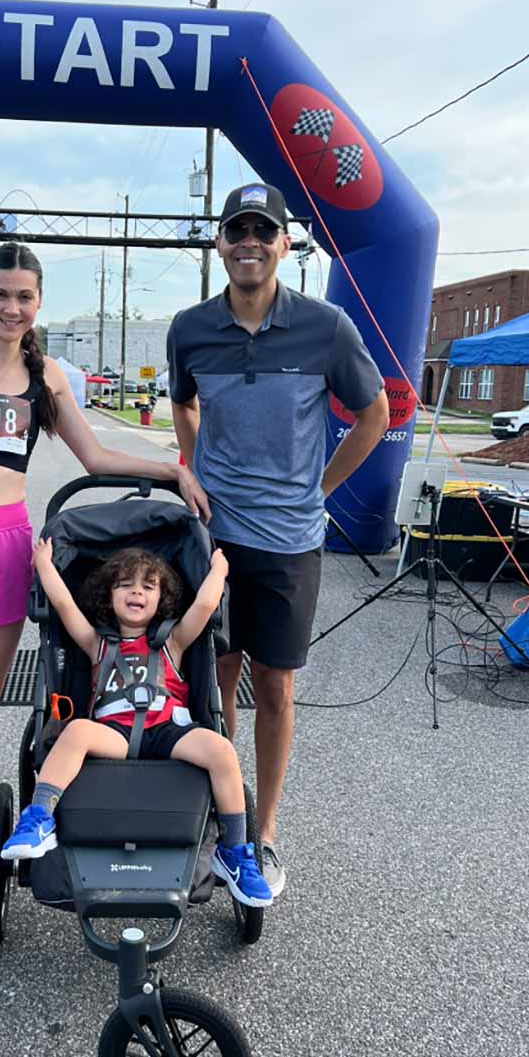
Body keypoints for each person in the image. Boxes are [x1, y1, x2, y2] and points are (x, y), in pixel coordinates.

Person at [0, 242, 210, 964]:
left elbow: (94, 458)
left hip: (4, 546)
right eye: (1, 294)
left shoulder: (46, 376)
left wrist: (171, 472)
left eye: (25, 297)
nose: (12, 308)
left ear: (39, 303)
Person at [168, 182, 389, 897]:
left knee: (274, 685)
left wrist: (319, 489)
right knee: (215, 681)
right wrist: (194, 470)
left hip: (290, 541)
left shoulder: (326, 327)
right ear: (219, 244)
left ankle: (261, 834)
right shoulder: (191, 328)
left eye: (263, 231)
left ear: (285, 245)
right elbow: (182, 402)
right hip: (215, 538)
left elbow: (375, 414)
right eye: (237, 231)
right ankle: (224, 823)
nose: (250, 243)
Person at [0, 541, 272, 908]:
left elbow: (206, 605)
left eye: (148, 585)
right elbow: (63, 605)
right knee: (76, 731)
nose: (136, 592)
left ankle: (234, 852)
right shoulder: (96, 642)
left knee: (221, 749)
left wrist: (219, 571)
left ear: (162, 597)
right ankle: (39, 818)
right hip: (115, 732)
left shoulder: (173, 641)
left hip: (168, 730)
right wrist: (44, 565)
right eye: (125, 584)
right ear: (108, 595)